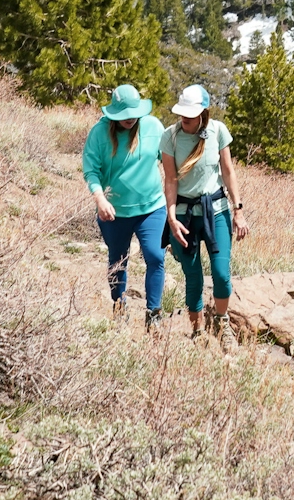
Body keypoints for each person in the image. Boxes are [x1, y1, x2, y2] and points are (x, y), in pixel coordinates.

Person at [161, 84, 248, 351]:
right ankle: (197, 330)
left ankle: (221, 323)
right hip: (185, 216)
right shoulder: (170, 137)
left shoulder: (218, 131)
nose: (185, 119)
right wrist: (172, 218)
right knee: (194, 277)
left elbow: (228, 170)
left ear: (203, 112)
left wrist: (239, 209)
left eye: (191, 113)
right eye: (182, 114)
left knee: (222, 275)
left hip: (216, 211)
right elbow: (171, 179)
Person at [82, 82, 167, 331]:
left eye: (134, 113)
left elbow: (169, 163)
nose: (130, 119)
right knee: (117, 262)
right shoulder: (99, 133)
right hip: (115, 212)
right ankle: (119, 306)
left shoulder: (153, 127)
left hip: (152, 207)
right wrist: (100, 199)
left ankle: (154, 314)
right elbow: (90, 170)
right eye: (124, 115)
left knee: (155, 256)